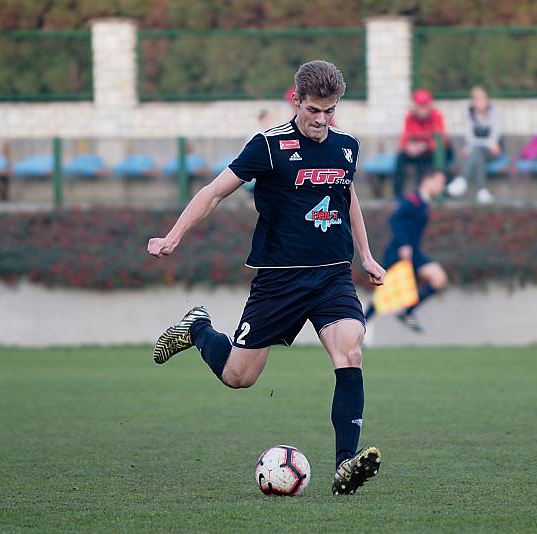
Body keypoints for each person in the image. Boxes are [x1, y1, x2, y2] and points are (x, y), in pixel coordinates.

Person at [147, 61, 385, 496]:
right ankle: (198, 328)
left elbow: (347, 197)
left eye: (330, 111)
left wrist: (366, 256)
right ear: (296, 101)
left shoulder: (347, 146)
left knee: (350, 349)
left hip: (332, 275)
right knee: (240, 377)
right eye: (314, 109)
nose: (322, 120)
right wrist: (173, 235)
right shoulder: (269, 146)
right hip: (279, 280)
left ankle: (344, 465)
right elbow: (214, 192)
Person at [364, 169, 448, 333]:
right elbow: (395, 219)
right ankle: (363, 324)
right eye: (440, 182)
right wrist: (404, 245)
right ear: (427, 180)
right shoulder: (413, 200)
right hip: (397, 252)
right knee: (383, 294)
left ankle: (407, 312)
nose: (442, 187)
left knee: (439, 279)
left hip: (414, 253)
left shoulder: (425, 202)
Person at [447, 86, 501, 204]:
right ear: (472, 101)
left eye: (483, 98)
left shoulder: (494, 113)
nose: (481, 101)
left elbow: (495, 136)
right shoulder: (468, 115)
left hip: (491, 151)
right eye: (477, 99)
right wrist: (476, 145)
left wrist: (481, 144)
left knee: (476, 152)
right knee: (478, 155)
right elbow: (469, 137)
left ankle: (462, 179)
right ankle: (482, 192)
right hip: (477, 152)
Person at [394, 89, 451, 198]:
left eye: (425, 106)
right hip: (415, 151)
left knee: (425, 164)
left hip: (430, 153)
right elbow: (404, 140)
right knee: (400, 158)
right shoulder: (410, 117)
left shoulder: (436, 116)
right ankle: (398, 196)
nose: (422, 110)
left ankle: (424, 196)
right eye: (420, 106)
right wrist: (408, 148)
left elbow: (441, 141)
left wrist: (425, 146)